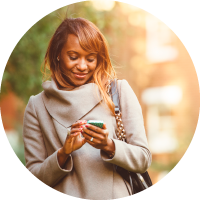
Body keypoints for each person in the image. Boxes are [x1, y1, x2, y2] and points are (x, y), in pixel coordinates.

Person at [23, 17, 151, 200]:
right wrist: (63, 153)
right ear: (58, 54)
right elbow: (33, 177)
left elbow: (143, 159)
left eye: (90, 59)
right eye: (73, 57)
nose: (82, 66)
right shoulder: (37, 106)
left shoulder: (118, 92)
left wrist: (109, 145)